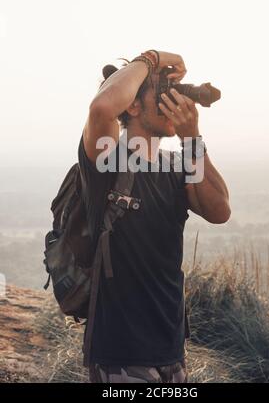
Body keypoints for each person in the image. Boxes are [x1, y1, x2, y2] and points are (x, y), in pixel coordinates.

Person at [78, 50, 231, 383]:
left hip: (171, 349)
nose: (171, 102)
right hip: (121, 355)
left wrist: (191, 139)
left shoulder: (177, 167)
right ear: (132, 105)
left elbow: (219, 211)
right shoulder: (108, 160)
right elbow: (102, 107)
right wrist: (151, 59)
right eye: (161, 93)